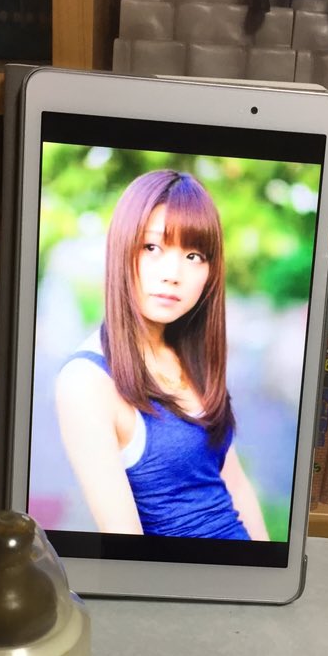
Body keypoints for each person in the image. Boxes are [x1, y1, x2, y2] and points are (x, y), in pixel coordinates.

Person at [54, 169, 269, 541]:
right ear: (122, 249)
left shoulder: (190, 353)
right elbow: (124, 542)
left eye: (194, 255)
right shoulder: (87, 382)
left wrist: (266, 566)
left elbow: (234, 484)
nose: (173, 274)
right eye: (152, 247)